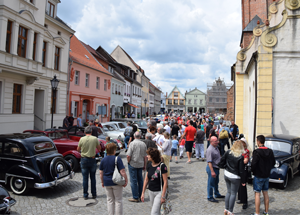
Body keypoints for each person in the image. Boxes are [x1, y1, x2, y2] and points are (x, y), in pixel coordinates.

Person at [218, 140, 246, 215]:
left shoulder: (228, 152)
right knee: (233, 194)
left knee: (228, 192)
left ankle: (226, 209)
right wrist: (243, 181)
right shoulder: (240, 156)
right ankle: (230, 211)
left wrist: (222, 166)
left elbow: (222, 160)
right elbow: (241, 170)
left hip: (227, 173)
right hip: (235, 176)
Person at [99, 143, 128, 215]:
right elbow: (122, 171)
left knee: (110, 200)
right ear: (114, 150)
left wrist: (102, 182)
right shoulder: (117, 159)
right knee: (118, 200)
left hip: (107, 182)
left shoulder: (103, 160)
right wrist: (126, 180)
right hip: (116, 182)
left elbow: (100, 173)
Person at [250, 135, 275, 215]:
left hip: (258, 175)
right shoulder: (270, 151)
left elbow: (253, 164)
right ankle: (266, 212)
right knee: (266, 193)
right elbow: (273, 163)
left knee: (257, 194)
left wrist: (252, 171)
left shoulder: (257, 152)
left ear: (258, 141)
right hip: (266, 175)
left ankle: (257, 213)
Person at [141, 148, 168, 215]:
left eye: (148, 155)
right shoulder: (149, 165)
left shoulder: (162, 166)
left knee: (154, 213)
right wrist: (143, 192)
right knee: (156, 211)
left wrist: (163, 196)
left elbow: (165, 182)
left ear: (153, 156)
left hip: (159, 192)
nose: (147, 156)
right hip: (151, 191)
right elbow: (146, 179)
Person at [77, 126, 102, 199]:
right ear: (91, 132)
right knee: (93, 178)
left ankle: (85, 194)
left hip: (84, 159)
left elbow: (78, 149)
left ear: (84, 132)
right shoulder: (94, 138)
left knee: (85, 178)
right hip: (92, 159)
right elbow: (99, 148)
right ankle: (94, 194)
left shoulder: (82, 139)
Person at [127, 131, 147, 202]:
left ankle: (135, 197)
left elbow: (128, 155)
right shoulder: (143, 144)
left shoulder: (132, 143)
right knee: (140, 180)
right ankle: (140, 195)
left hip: (133, 163)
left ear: (134, 136)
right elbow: (145, 156)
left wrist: (128, 162)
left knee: (133, 181)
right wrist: (145, 164)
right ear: (140, 136)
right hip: (141, 164)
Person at [206, 136, 225, 203]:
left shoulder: (216, 147)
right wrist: (212, 171)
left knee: (216, 182)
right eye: (215, 141)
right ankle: (210, 197)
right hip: (212, 168)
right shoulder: (210, 150)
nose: (217, 142)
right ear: (211, 142)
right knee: (211, 183)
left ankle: (217, 194)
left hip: (216, 168)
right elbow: (209, 162)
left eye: (217, 140)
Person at [237, 138, 251, 210]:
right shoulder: (239, 150)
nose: (241, 144)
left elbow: (245, 161)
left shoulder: (246, 151)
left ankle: (245, 201)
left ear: (245, 144)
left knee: (243, 185)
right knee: (239, 185)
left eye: (242, 143)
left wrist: (238, 160)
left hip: (244, 169)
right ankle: (240, 198)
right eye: (240, 143)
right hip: (238, 169)